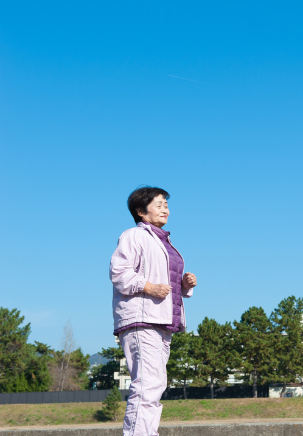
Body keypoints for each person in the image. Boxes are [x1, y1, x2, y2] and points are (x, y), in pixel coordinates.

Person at [110, 186, 197, 436]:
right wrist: (147, 287)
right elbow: (119, 273)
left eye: (166, 205)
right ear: (141, 211)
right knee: (147, 385)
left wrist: (184, 286)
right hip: (141, 319)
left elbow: (165, 282)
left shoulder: (164, 240)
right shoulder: (133, 235)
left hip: (162, 321)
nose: (165, 209)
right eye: (158, 204)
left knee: (155, 385)